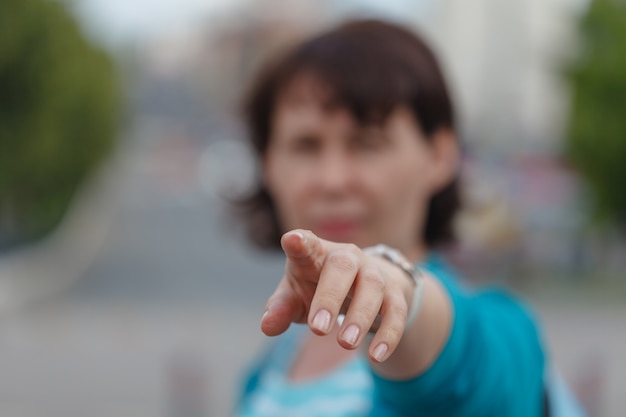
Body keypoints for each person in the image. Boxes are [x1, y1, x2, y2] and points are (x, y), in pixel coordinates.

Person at [231, 18, 586, 417]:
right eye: (305, 145)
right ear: (267, 164)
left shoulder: (500, 337)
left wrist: (399, 290)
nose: (332, 180)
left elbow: (465, 373)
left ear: (439, 155)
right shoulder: (271, 368)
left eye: (367, 143)